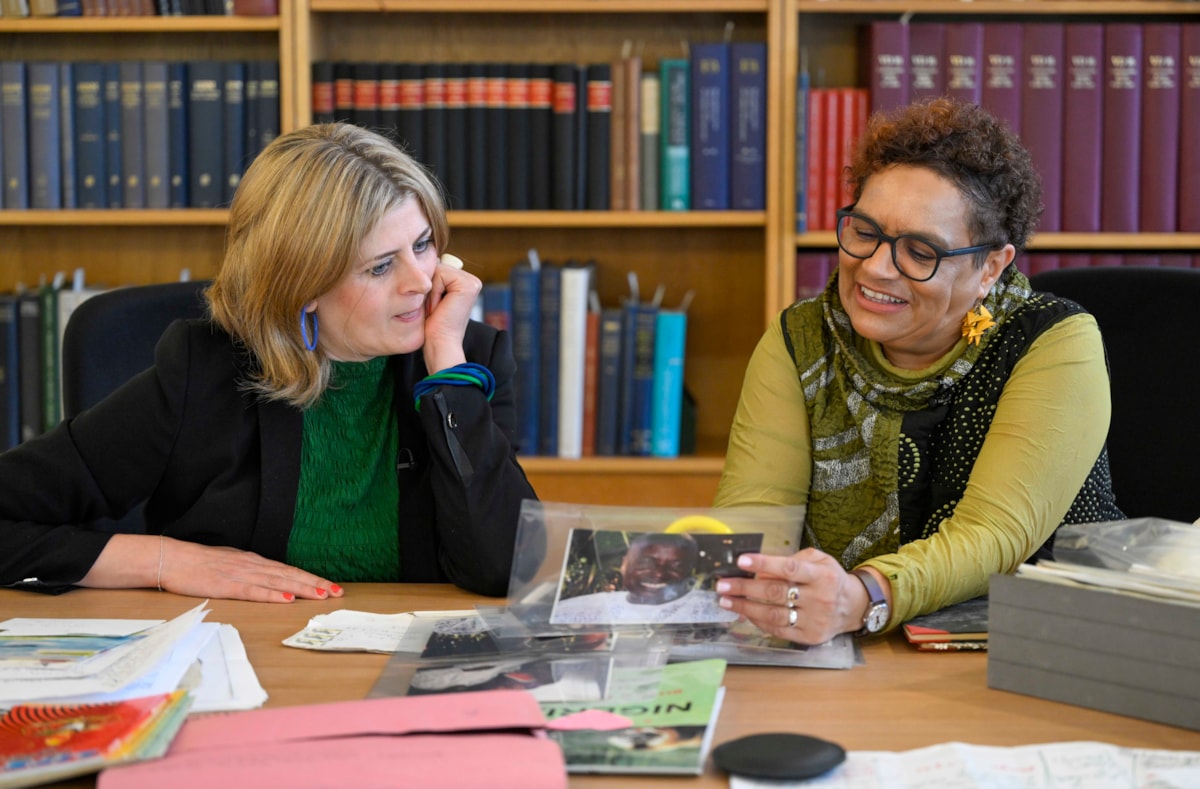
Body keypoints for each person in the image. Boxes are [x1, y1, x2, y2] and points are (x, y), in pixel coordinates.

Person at [0, 123, 536, 602]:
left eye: (422, 245)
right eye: (379, 267)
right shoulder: (203, 372)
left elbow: (505, 568)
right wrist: (164, 559)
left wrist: (447, 372)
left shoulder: (468, 362)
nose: (421, 282)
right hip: (246, 669)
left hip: (408, 675)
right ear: (302, 286)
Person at [712, 98, 1122, 645]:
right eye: (864, 231)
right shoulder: (800, 339)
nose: (876, 267)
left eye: (920, 250)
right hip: (844, 650)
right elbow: (755, 526)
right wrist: (760, 584)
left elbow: (992, 535)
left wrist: (865, 596)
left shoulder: (1052, 342)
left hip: (1042, 648)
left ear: (991, 267)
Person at [550, 533, 734, 625]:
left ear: (691, 570)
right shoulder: (577, 611)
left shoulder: (720, 611)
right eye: (646, 562)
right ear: (624, 564)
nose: (659, 573)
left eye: (676, 565)